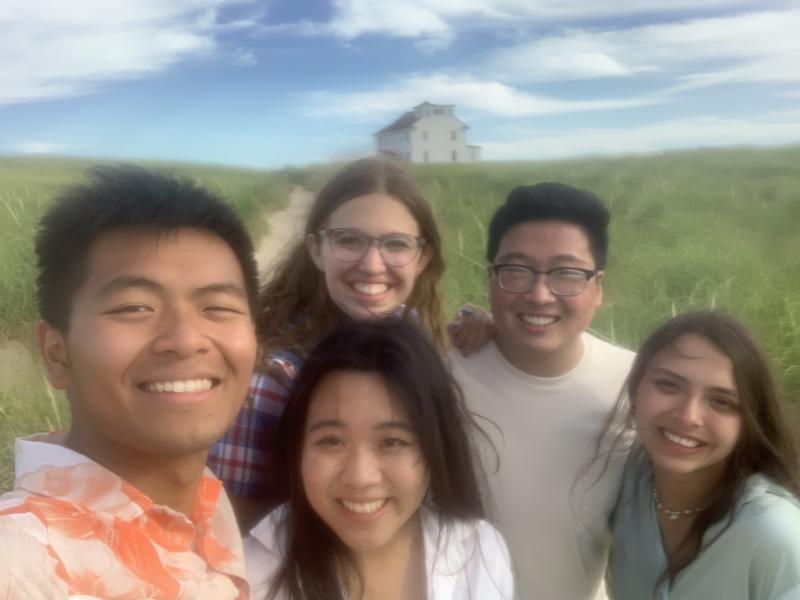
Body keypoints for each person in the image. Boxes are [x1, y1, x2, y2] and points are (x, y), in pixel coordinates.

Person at [0, 165, 258, 598]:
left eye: (217, 307)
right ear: (56, 352)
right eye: (135, 307)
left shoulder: (205, 501)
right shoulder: (18, 562)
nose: (186, 340)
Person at [209, 158, 445, 529]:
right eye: (349, 240)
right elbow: (239, 524)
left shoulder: (427, 338)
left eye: (396, 244)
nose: (372, 265)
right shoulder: (270, 376)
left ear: (422, 257)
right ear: (316, 249)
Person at [449, 182, 635, 599]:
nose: (538, 294)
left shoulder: (638, 387)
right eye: (516, 270)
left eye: (566, 273)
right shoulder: (440, 375)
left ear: (598, 287)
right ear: (491, 277)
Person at [245, 318, 514, 600]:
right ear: (297, 447)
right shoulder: (245, 576)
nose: (361, 477)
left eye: (392, 442)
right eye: (331, 441)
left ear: (436, 447)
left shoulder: (480, 553)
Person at [609, 310, 800, 599]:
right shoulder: (629, 481)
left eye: (721, 402)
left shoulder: (776, 534)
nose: (689, 417)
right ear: (635, 389)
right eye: (669, 385)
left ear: (749, 421)